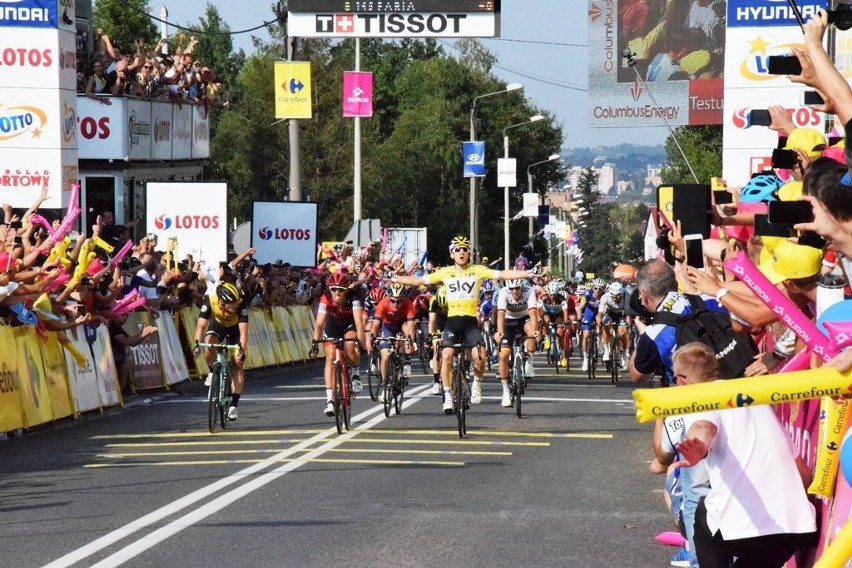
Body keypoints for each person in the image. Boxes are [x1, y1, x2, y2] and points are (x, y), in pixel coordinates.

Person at [672, 342, 817, 567]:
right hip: (792, 531)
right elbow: (804, 475)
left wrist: (698, 448)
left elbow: (703, 427)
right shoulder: (756, 403)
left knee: (702, 513)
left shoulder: (702, 398)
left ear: (681, 380)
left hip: (748, 530)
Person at [390, 236, 541, 414]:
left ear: (469, 253)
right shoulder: (445, 272)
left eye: (465, 249)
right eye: (457, 250)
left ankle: (476, 382)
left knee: (481, 355)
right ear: (451, 253)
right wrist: (395, 278)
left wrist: (527, 273)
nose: (461, 252)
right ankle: (447, 395)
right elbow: (418, 281)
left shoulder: (477, 270)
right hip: (452, 322)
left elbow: (503, 275)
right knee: (446, 355)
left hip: (470, 321)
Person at [310, 271, 367, 417]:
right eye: (333, 289)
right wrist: (314, 344)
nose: (336, 293)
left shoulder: (354, 297)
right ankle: (330, 400)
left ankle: (355, 373)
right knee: (330, 357)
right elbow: (319, 324)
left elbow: (359, 323)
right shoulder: (326, 297)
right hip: (333, 324)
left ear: (346, 289)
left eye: (340, 290)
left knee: (349, 347)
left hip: (350, 324)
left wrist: (360, 343)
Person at [192, 282, 249, 421]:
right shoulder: (210, 301)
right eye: (232, 304)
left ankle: (233, 405)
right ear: (222, 302)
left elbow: (243, 332)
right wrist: (197, 345)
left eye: (236, 303)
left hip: (235, 328)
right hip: (219, 325)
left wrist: (240, 351)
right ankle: (212, 372)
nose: (235, 306)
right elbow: (201, 326)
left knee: (237, 363)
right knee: (209, 342)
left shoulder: (241, 305)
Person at [493, 279, 540, 407]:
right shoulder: (503, 292)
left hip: (523, 319)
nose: (514, 292)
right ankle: (505, 391)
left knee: (531, 331)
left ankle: (529, 362)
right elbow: (501, 314)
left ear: (521, 287)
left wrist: (535, 331)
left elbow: (533, 313)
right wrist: (500, 332)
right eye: (511, 289)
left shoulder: (529, 291)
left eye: (517, 289)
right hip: (508, 321)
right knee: (503, 354)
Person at [369, 282, 416, 403]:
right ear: (388, 298)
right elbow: (375, 325)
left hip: (402, 325)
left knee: (407, 329)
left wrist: (410, 341)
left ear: (403, 299)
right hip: (388, 327)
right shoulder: (383, 303)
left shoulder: (408, 304)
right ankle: (385, 386)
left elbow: (411, 326)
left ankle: (406, 362)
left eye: (399, 301)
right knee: (385, 356)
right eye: (393, 301)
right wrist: (372, 338)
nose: (396, 304)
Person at [596, 281, 629, 370]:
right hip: (610, 313)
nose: (615, 298)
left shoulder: (626, 296)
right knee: (606, 325)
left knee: (622, 332)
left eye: (617, 296)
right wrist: (599, 323)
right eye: (613, 296)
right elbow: (600, 313)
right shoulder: (605, 297)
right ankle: (606, 350)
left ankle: (624, 354)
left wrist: (628, 326)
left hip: (622, 314)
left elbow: (629, 314)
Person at [579, 277, 606, 372]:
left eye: (600, 289)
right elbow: (580, 307)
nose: (597, 291)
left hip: (600, 312)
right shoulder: (587, 293)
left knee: (603, 324)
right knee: (586, 335)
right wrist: (579, 319)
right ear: (592, 287)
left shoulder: (605, 296)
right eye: (595, 288)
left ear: (603, 289)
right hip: (589, 312)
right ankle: (586, 359)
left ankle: (601, 343)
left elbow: (604, 311)